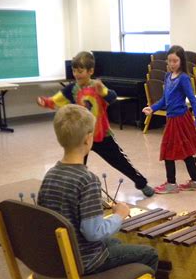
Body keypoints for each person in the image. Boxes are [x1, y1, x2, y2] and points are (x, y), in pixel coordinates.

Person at [37, 104, 159, 279]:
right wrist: (119, 215)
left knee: (114, 241)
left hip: (60, 256)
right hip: (86, 260)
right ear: (89, 139)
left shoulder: (51, 174)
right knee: (149, 254)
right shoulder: (87, 180)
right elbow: (94, 233)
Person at [37, 51, 155, 198]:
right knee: (77, 166)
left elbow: (112, 98)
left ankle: (142, 183)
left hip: (101, 135)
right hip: (80, 136)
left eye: (80, 71)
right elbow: (55, 100)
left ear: (90, 71)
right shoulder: (71, 89)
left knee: (121, 162)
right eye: (74, 71)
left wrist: (103, 92)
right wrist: (45, 102)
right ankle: (76, 192)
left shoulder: (97, 86)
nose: (76, 74)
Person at [142, 45, 196, 194]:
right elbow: (165, 100)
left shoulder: (184, 78)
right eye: (170, 61)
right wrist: (152, 108)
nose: (172, 64)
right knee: (185, 152)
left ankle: (172, 184)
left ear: (181, 61)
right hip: (172, 118)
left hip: (181, 119)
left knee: (168, 151)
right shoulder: (167, 76)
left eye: (175, 61)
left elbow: (193, 100)